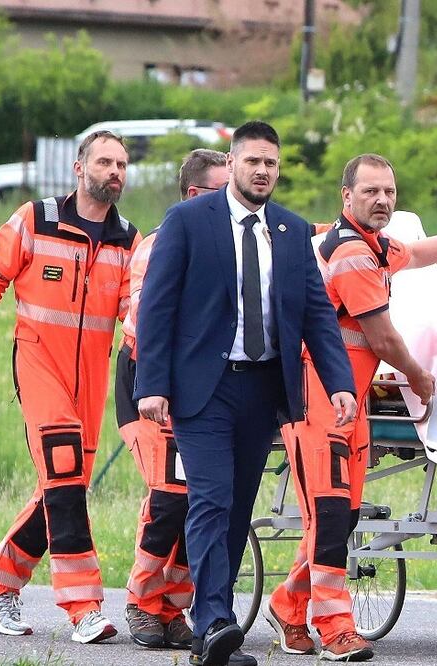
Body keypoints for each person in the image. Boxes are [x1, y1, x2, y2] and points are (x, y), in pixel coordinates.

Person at [262, 153, 437, 662]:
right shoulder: (352, 252)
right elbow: (380, 336)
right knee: (331, 513)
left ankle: (289, 604)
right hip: (318, 397)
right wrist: (421, 378)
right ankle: (335, 628)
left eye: (390, 193)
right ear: (347, 197)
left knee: (343, 513)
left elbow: (417, 253)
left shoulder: (375, 245)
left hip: (346, 399)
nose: (382, 200)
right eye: (372, 192)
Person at [134, 121, 357, 666]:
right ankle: (212, 625)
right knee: (209, 499)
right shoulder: (188, 221)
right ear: (232, 164)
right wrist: (152, 386)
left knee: (236, 510)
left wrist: (341, 384)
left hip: (262, 390)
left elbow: (317, 317)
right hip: (201, 392)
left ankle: (215, 622)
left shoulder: (290, 230)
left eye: (271, 163)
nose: (262, 171)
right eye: (253, 161)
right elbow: (157, 307)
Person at [0, 130, 141, 643]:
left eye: (121, 163)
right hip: (38, 364)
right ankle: (83, 607)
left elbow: (135, 317)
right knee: (66, 477)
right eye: (104, 161)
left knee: (62, 487)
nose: (114, 170)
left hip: (90, 380)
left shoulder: (127, 241)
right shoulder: (36, 219)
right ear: (79, 168)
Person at [115, 149, 229, 649]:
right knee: (167, 499)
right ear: (194, 196)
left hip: (201, 386)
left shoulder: (237, 244)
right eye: (225, 192)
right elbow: (147, 323)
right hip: (150, 380)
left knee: (198, 501)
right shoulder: (159, 246)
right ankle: (142, 602)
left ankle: (172, 605)